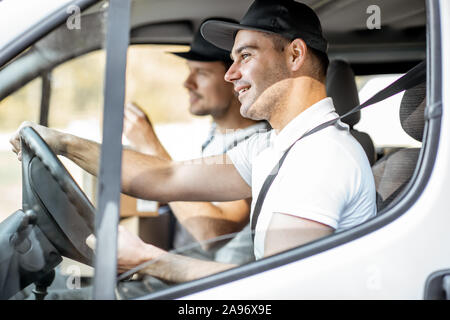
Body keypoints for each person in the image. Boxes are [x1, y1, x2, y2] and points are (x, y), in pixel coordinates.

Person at [10, 0, 376, 285]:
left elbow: (271, 289)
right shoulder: (273, 145)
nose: (231, 74)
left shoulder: (320, 157)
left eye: (245, 55)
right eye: (231, 60)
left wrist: (149, 261)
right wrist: (65, 143)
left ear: (295, 55)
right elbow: (165, 177)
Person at [122, 21, 269, 264]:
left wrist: (151, 146)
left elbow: (211, 233)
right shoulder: (216, 134)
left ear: (235, 79)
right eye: (189, 70)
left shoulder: (260, 146)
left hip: (218, 286)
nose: (187, 83)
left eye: (201, 73)